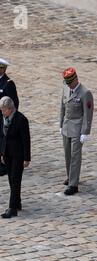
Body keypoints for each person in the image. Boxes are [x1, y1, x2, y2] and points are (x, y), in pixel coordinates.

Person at [60, 67, 94, 195]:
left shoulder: (85, 93)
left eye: (70, 82)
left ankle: (73, 185)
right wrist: (60, 124)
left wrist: (85, 131)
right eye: (67, 82)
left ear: (76, 79)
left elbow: (88, 114)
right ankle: (70, 177)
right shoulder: (66, 88)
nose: (68, 85)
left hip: (78, 128)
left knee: (75, 156)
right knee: (67, 154)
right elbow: (62, 107)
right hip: (66, 126)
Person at [0, 97, 31, 219]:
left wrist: (27, 158)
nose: (2, 112)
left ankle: (12, 208)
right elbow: (2, 137)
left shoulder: (21, 120)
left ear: (10, 109)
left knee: (16, 179)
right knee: (11, 180)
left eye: (4, 110)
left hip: (18, 154)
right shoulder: (4, 119)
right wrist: (2, 153)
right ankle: (17, 202)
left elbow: (26, 140)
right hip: (7, 154)